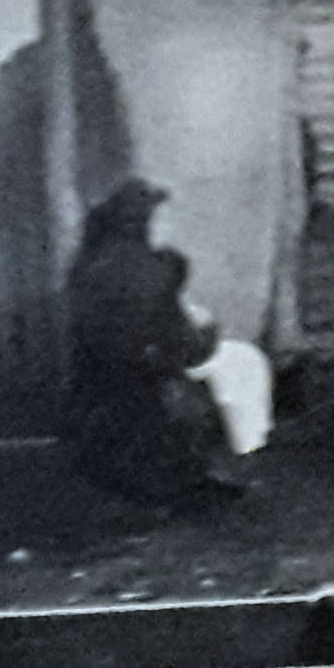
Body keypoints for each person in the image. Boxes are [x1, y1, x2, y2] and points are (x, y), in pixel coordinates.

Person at [61, 181, 237, 506]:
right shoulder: (154, 271)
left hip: (94, 401)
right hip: (147, 395)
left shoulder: (86, 267)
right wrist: (208, 335)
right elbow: (184, 346)